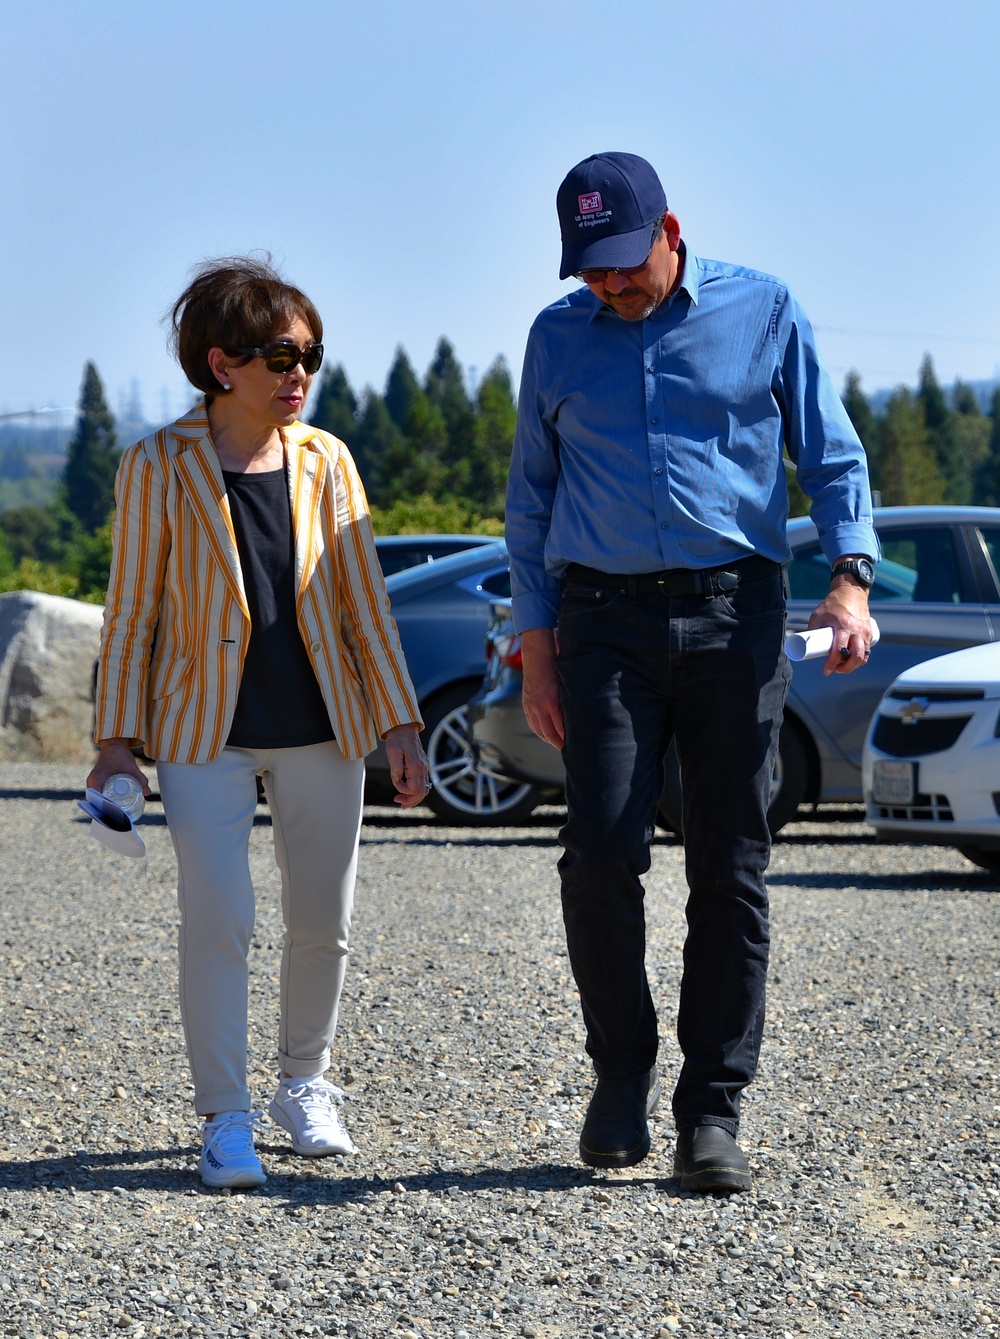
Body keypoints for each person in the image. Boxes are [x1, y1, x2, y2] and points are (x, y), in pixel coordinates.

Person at [505, 153, 878, 1193]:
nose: (611, 287)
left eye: (626, 265)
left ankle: (712, 1106)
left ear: (671, 229)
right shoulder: (555, 336)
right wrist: (538, 646)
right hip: (602, 622)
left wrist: (848, 580)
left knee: (729, 863)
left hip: (733, 618)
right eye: (593, 271)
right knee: (598, 853)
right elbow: (531, 499)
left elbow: (834, 458)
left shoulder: (763, 309)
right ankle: (618, 1076)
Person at [89, 257, 429, 1190]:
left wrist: (400, 722)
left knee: (326, 921)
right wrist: (114, 740)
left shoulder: (329, 460)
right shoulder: (157, 464)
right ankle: (225, 1116)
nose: (300, 373)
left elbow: (365, 603)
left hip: (326, 725)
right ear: (220, 362)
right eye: (280, 353)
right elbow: (133, 614)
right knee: (220, 922)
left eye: (311, 354)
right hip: (204, 731)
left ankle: (305, 1084)